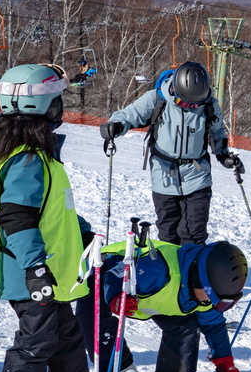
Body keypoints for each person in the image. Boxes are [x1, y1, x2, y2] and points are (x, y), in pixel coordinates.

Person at [0, 64, 103, 372]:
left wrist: (83, 234)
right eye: (58, 100)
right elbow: (17, 218)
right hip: (28, 270)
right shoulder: (28, 160)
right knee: (38, 337)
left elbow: (53, 210)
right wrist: (34, 269)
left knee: (66, 334)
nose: (61, 107)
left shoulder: (37, 155)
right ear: (44, 105)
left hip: (52, 270)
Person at [84, 239, 248, 372]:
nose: (213, 303)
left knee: (188, 321)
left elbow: (214, 325)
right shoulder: (158, 270)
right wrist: (115, 297)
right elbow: (115, 274)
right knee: (95, 318)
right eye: (213, 298)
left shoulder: (206, 295)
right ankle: (121, 371)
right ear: (198, 281)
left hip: (154, 295)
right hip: (101, 274)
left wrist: (224, 361)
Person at [99, 61, 242, 245]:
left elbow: (216, 132)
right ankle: (173, 272)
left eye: (195, 104)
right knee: (169, 234)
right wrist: (115, 126)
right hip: (164, 174)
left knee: (194, 233)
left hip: (197, 175)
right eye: (185, 103)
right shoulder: (157, 99)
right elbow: (129, 115)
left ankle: (192, 271)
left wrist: (223, 155)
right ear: (174, 90)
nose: (190, 107)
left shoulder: (209, 105)